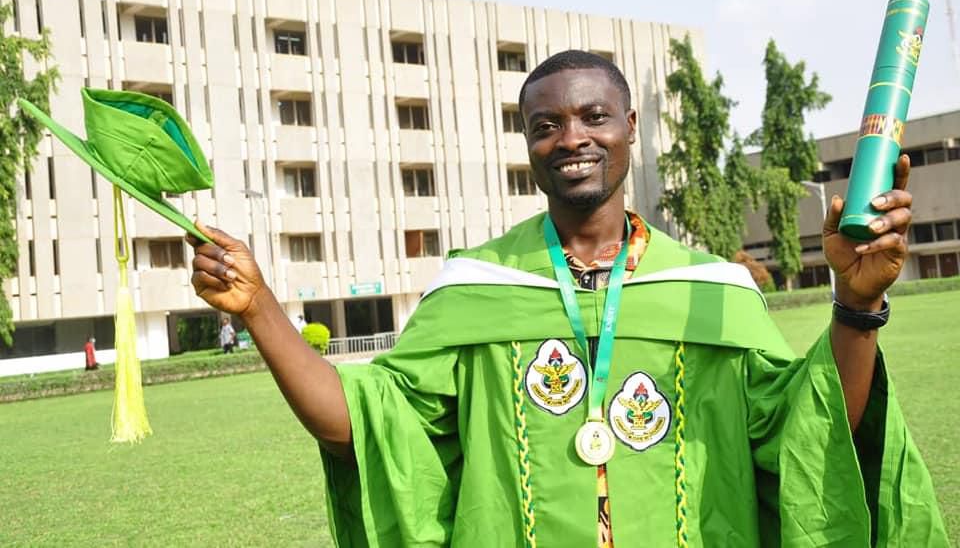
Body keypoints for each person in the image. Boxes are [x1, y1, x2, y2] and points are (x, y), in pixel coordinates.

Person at [188, 51, 947, 546]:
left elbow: (815, 437)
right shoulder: (475, 288)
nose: (571, 138)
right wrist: (260, 309)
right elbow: (363, 427)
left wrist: (854, 305)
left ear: (630, 129)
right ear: (527, 145)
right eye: (545, 125)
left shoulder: (710, 292)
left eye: (593, 116)